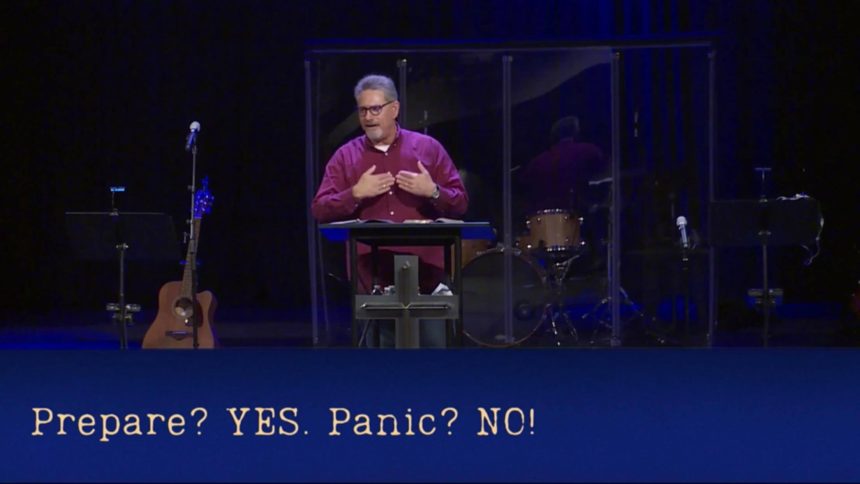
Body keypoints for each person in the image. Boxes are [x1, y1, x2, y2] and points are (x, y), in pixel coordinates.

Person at [311, 74, 469, 347]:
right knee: (380, 365)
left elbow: (461, 204)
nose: (368, 117)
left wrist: (433, 191)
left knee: (434, 361)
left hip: (427, 279)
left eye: (375, 109)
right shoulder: (345, 156)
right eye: (363, 110)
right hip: (371, 278)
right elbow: (320, 209)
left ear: (394, 109)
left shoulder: (428, 149)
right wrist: (354, 194)